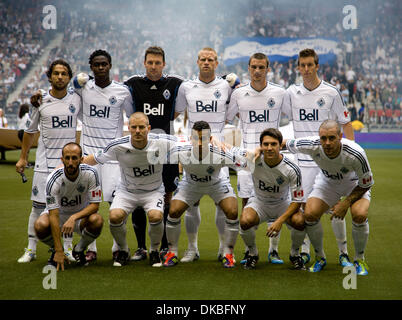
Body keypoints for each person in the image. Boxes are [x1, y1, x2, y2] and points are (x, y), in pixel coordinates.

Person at [30, 50, 134, 263]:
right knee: (88, 203)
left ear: (110, 65)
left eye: (104, 64)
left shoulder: (123, 92)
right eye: (96, 65)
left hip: (113, 158)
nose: (101, 68)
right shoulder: (82, 89)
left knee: (116, 207)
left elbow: (133, 116)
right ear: (91, 67)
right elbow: (60, 93)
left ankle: (119, 249)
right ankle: (89, 249)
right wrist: (39, 95)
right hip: (87, 157)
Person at [283, 48, 355, 267]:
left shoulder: (332, 92)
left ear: (317, 66)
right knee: (305, 210)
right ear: (298, 67)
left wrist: (350, 154)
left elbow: (346, 124)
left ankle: (343, 253)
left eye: (310, 65)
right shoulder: (290, 93)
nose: (306, 69)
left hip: (329, 160)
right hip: (302, 163)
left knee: (335, 208)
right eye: (302, 65)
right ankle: (308, 252)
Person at [82, 112, 177, 267]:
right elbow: (95, 158)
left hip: (153, 192)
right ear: (129, 128)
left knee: (155, 215)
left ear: (149, 128)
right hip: (126, 191)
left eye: (141, 127)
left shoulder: (163, 142)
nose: (138, 131)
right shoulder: (117, 146)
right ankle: (124, 251)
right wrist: (69, 165)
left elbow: (189, 144)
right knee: (114, 216)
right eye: (134, 127)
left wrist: (212, 143)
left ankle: (154, 251)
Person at [285, 120, 372, 275]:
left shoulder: (356, 153)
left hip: (354, 185)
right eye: (323, 138)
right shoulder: (312, 144)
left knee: (359, 214)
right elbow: (284, 143)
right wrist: (257, 150)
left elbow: (367, 183)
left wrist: (345, 204)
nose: (327, 143)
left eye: (332, 138)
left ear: (340, 136)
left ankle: (359, 259)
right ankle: (320, 257)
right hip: (328, 184)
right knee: (310, 214)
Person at [226, 52, 289, 264]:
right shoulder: (239, 94)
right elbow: (229, 117)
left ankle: (273, 250)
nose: (257, 71)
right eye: (254, 67)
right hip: (248, 160)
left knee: (276, 198)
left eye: (261, 67)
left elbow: (293, 116)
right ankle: (250, 252)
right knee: (247, 206)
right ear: (249, 68)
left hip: (273, 158)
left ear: (268, 69)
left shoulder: (279, 93)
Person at [16, 59, 81, 263]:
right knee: (37, 208)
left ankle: (70, 249)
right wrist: (23, 157)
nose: (60, 77)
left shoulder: (77, 99)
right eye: (56, 73)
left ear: (69, 77)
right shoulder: (39, 101)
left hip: (69, 166)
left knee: (69, 208)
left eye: (64, 73)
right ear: (49, 76)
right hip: (44, 166)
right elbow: (29, 131)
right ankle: (31, 249)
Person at [123, 46, 184, 261]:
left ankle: (164, 245)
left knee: (168, 196)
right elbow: (132, 116)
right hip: (141, 150)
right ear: (144, 63)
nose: (154, 66)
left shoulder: (175, 83)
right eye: (150, 62)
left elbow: (176, 111)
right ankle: (141, 247)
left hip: (166, 152)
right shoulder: (133, 84)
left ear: (164, 64)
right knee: (139, 194)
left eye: (158, 63)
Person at [175, 47, 234, 262]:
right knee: (192, 202)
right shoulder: (186, 87)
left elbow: (231, 113)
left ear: (216, 63)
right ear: (197, 62)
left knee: (222, 203)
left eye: (210, 60)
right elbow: (177, 113)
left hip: (219, 149)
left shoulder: (226, 86)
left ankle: (222, 248)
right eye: (203, 59)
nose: (206, 62)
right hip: (194, 149)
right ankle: (192, 249)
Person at [163, 121, 246, 268]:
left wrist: (229, 147)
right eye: (196, 138)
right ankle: (175, 252)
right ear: (190, 138)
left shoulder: (220, 151)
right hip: (191, 185)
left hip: (216, 184)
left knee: (232, 211)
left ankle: (227, 252)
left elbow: (245, 161)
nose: (200, 143)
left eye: (204, 139)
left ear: (211, 139)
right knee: (173, 211)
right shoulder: (180, 150)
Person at [237, 128, 306, 270]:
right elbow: (234, 160)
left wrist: (279, 220)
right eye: (265, 144)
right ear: (261, 146)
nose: (269, 148)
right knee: (244, 220)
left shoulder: (292, 167)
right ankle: (252, 253)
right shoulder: (253, 160)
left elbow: (297, 200)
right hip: (259, 202)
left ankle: (295, 254)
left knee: (300, 221)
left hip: (283, 203)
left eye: (273, 144)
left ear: (280, 146)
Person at [34, 143, 103, 270]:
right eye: (67, 158)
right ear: (62, 159)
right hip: (59, 214)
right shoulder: (53, 179)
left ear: (81, 160)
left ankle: (78, 250)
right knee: (39, 225)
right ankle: (56, 251)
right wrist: (59, 249)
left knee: (97, 220)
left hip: (80, 215)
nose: (70, 162)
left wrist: (73, 218)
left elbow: (95, 205)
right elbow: (53, 215)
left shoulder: (91, 173)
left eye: (74, 158)